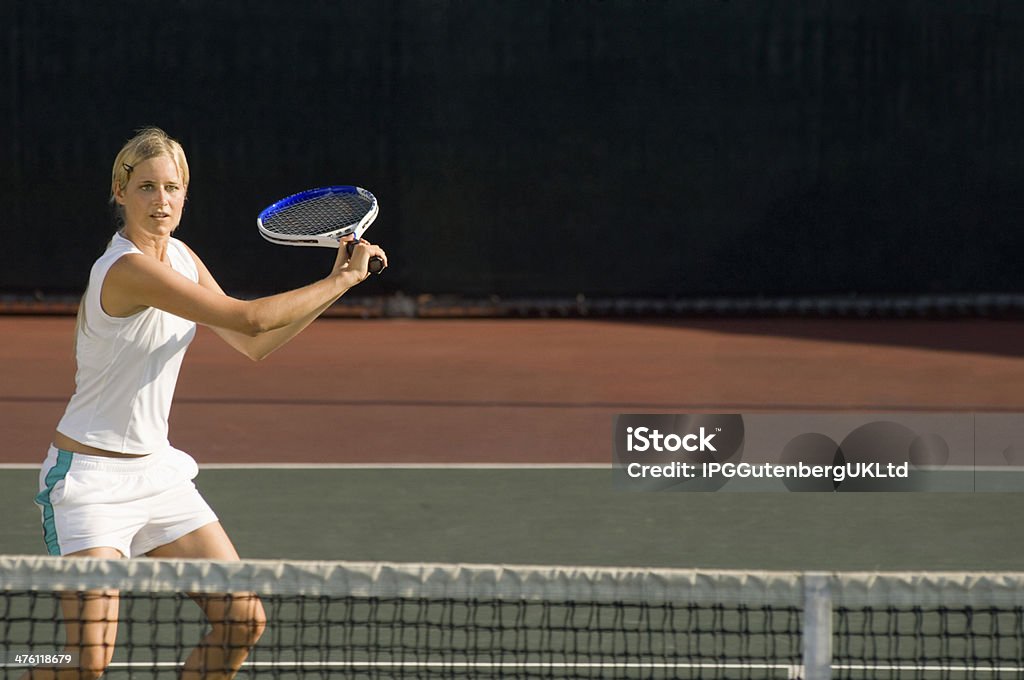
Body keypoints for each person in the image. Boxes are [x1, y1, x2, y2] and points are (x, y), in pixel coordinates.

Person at [28, 127, 387, 680]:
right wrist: (341, 275)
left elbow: (254, 344)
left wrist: (338, 285)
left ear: (185, 194)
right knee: (84, 662)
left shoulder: (182, 257)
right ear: (120, 193)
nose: (161, 201)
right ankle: (20, 662)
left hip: (158, 475)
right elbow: (250, 317)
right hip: (90, 483)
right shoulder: (126, 269)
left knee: (242, 620)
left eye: (172, 188)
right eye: (146, 187)